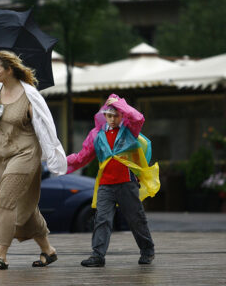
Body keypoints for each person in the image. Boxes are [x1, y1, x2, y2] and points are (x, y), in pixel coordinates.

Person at [0, 50, 67, 270]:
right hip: (1, 157)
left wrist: (52, 156)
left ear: (9, 70)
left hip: (25, 154)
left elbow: (45, 127)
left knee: (6, 201)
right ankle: (48, 250)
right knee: (24, 205)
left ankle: (1, 255)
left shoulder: (29, 95)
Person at [66, 94, 160, 267]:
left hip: (126, 182)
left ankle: (147, 250)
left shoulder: (130, 130)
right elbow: (82, 157)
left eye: (116, 115)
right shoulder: (96, 134)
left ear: (122, 115)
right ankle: (97, 255)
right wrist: (61, 162)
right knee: (102, 219)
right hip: (105, 185)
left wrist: (119, 104)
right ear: (104, 115)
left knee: (135, 218)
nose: (112, 119)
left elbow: (138, 118)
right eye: (109, 115)